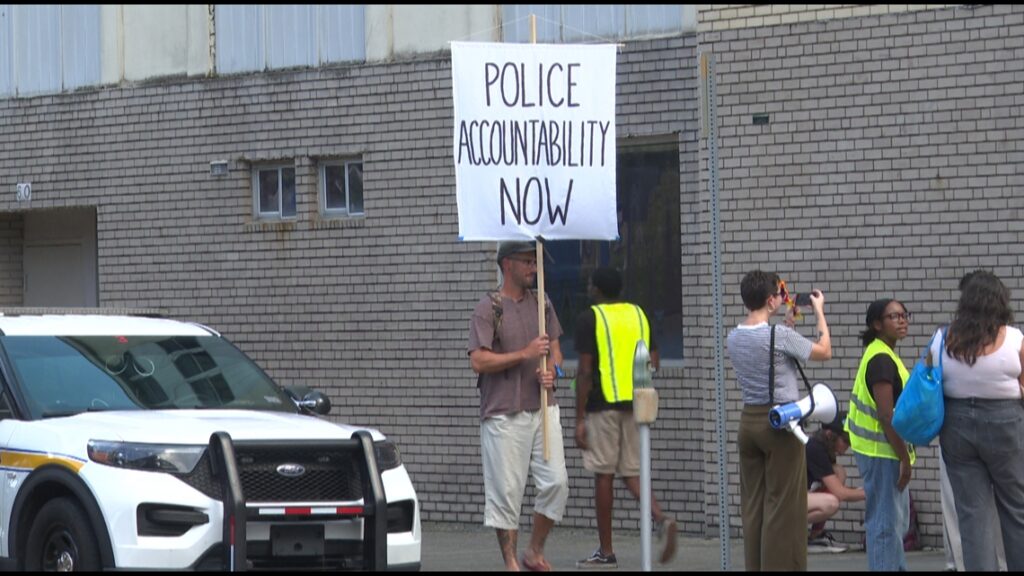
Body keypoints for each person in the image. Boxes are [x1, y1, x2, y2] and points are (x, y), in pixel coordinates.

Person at [468, 240, 568, 572]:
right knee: (506, 492)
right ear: (507, 264)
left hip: (543, 408)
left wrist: (552, 372)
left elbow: (557, 354)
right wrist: (523, 355)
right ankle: (511, 561)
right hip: (503, 413)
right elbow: (479, 361)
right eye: (527, 262)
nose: (534, 268)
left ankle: (534, 551)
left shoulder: (543, 303)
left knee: (556, 483)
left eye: (534, 262)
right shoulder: (489, 307)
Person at [572, 267, 677, 569]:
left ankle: (606, 552)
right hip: (636, 408)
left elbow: (585, 371)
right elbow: (653, 361)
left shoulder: (590, 318)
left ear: (596, 289)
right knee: (631, 472)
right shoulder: (639, 314)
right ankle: (661, 518)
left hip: (602, 407)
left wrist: (579, 418)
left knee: (604, 475)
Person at [726, 270, 832, 571]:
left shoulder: (734, 337)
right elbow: (824, 351)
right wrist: (819, 313)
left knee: (755, 507)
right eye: (779, 296)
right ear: (772, 301)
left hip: (749, 423)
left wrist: (787, 326)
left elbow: (767, 356)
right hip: (780, 423)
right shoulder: (779, 336)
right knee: (784, 507)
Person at [934, 270, 1024, 571]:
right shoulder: (1014, 338)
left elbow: (930, 381)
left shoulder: (943, 338)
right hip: (1006, 425)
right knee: (1016, 508)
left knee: (973, 515)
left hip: (956, 427)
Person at [847, 298, 914, 571]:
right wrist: (904, 459)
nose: (901, 320)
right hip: (883, 454)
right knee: (885, 527)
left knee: (893, 525)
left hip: (883, 452)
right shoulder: (881, 360)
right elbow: (887, 416)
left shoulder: (883, 353)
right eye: (893, 316)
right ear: (877, 324)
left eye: (903, 314)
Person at [806, 412, 865, 554]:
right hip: (784, 501)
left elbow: (837, 486)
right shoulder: (815, 448)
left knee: (839, 472)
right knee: (831, 503)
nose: (848, 446)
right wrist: (870, 492)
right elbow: (840, 493)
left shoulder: (823, 448)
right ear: (830, 435)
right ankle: (787, 530)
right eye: (845, 440)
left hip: (796, 497)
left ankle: (815, 537)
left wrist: (860, 491)